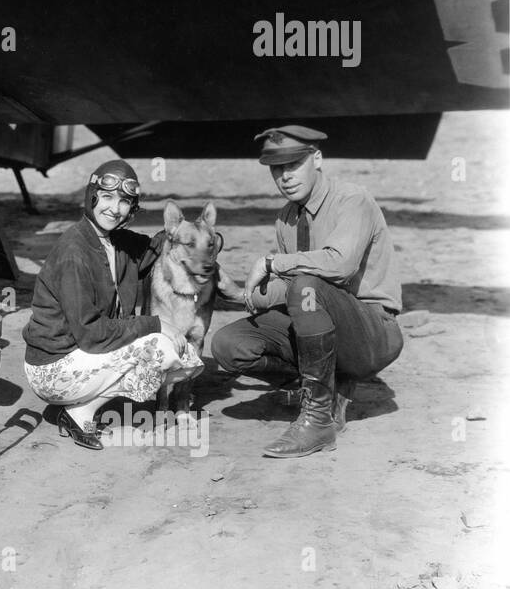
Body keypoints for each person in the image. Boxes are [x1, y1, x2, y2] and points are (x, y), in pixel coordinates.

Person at [211, 125, 403, 458]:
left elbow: (339, 265)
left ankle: (318, 421)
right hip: (318, 319)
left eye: (293, 164)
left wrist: (273, 262)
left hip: (372, 332)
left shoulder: (351, 199)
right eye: (276, 168)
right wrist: (237, 291)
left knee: (306, 286)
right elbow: (287, 289)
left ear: (317, 159)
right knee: (229, 345)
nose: (284, 176)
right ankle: (328, 389)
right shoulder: (286, 217)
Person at [23, 159, 198, 451]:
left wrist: (190, 233)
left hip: (77, 354)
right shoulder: (74, 252)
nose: (114, 209)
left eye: (124, 202)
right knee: (160, 348)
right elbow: (92, 333)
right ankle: (78, 411)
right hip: (51, 367)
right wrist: (156, 324)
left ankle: (82, 403)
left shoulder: (114, 240)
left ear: (132, 208)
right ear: (92, 197)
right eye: (106, 197)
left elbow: (154, 249)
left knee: (185, 356)